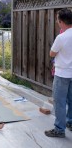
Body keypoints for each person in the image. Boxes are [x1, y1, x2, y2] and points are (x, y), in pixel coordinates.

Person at [45, 8, 72, 138]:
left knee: (60, 102)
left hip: (62, 74)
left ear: (61, 21)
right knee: (71, 100)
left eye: (57, 20)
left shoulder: (61, 37)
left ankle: (59, 129)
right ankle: (70, 123)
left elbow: (52, 53)